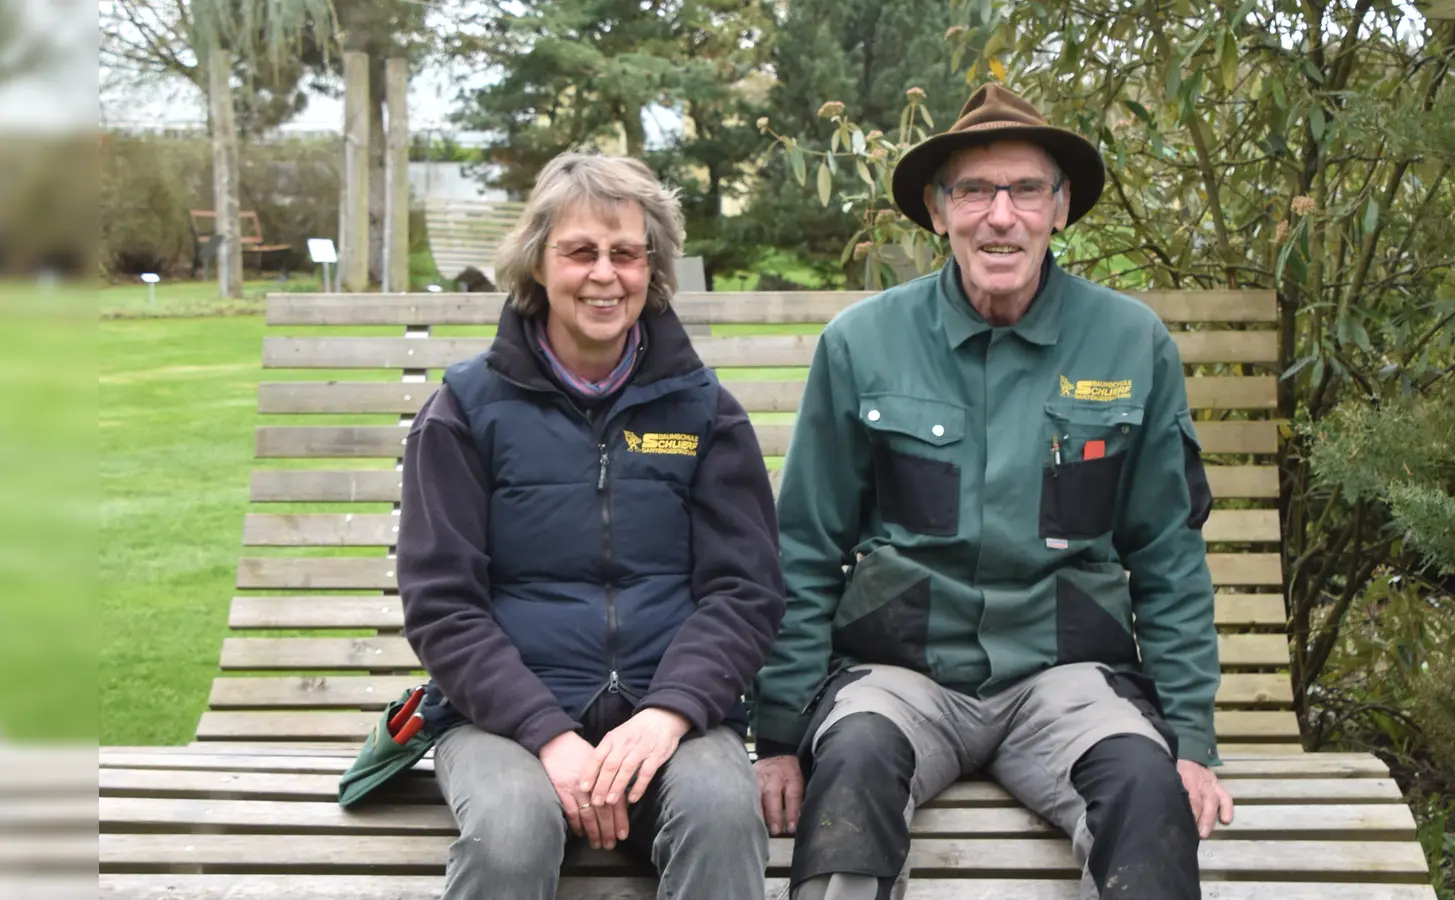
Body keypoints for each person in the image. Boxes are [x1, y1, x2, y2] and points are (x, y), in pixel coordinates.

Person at [749, 84, 1233, 900]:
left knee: (1150, 801)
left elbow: (1168, 551)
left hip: (1067, 677)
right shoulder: (861, 345)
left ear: (1061, 207)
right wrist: (781, 734)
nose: (1000, 215)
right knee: (849, 792)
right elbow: (804, 545)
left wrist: (1189, 739)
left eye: (1026, 190)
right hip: (899, 677)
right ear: (939, 212)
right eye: (974, 190)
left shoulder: (1130, 344)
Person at [397, 151, 785, 899]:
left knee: (725, 814)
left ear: (654, 269)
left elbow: (745, 591)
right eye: (579, 252)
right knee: (510, 833)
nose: (604, 274)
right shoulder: (465, 412)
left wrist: (669, 713)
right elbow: (443, 605)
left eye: (626, 254)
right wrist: (548, 734)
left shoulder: (704, 412)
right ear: (537, 264)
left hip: (673, 722)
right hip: (503, 723)